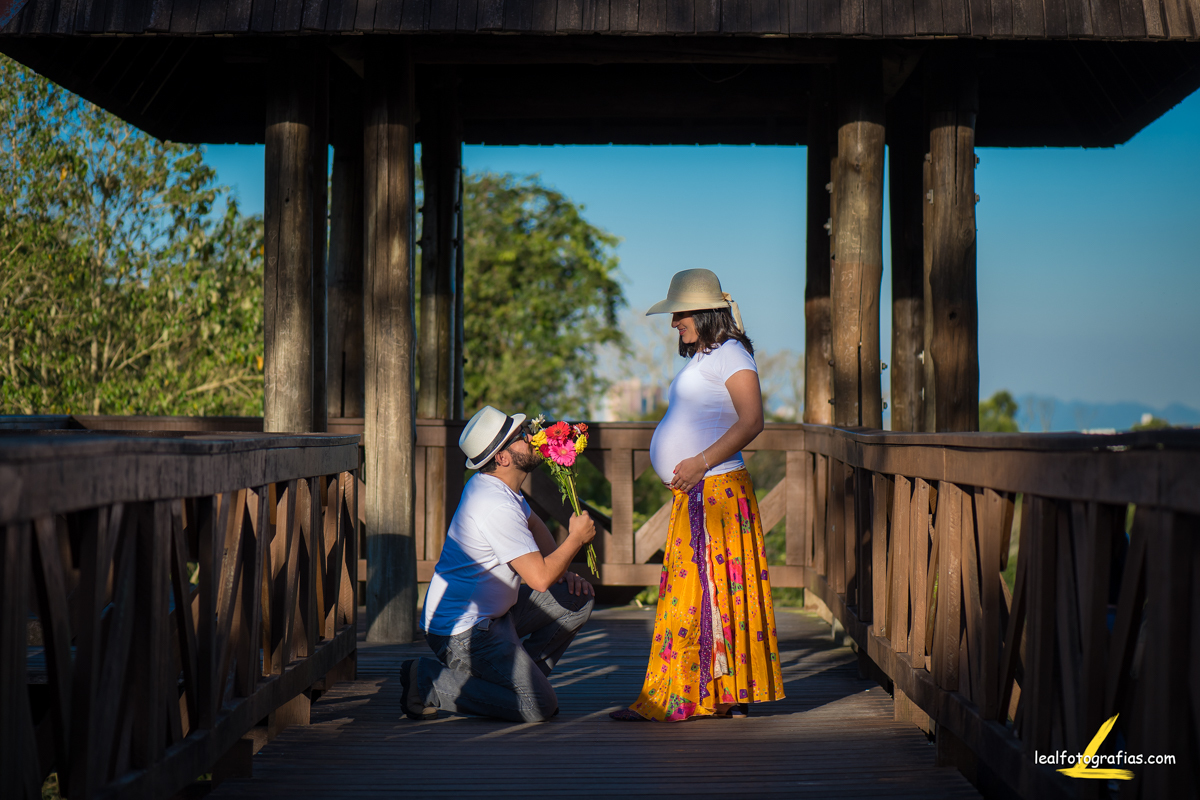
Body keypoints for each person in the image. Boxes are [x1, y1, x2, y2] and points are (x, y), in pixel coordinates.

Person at [612, 268, 785, 721]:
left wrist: (700, 461)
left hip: (716, 491)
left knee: (698, 593)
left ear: (705, 313)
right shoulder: (705, 357)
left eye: (680, 314)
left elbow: (752, 422)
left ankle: (683, 694)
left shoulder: (731, 356)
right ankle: (715, 692)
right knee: (704, 592)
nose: (674, 324)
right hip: (701, 491)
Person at [403, 405, 597, 723]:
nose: (531, 437)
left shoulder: (502, 489)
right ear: (504, 458)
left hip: (495, 617)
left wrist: (564, 572)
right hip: (461, 634)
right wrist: (574, 540)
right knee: (539, 706)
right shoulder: (494, 505)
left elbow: (534, 525)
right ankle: (428, 681)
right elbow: (538, 580)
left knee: (576, 597)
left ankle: (515, 684)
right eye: (520, 436)